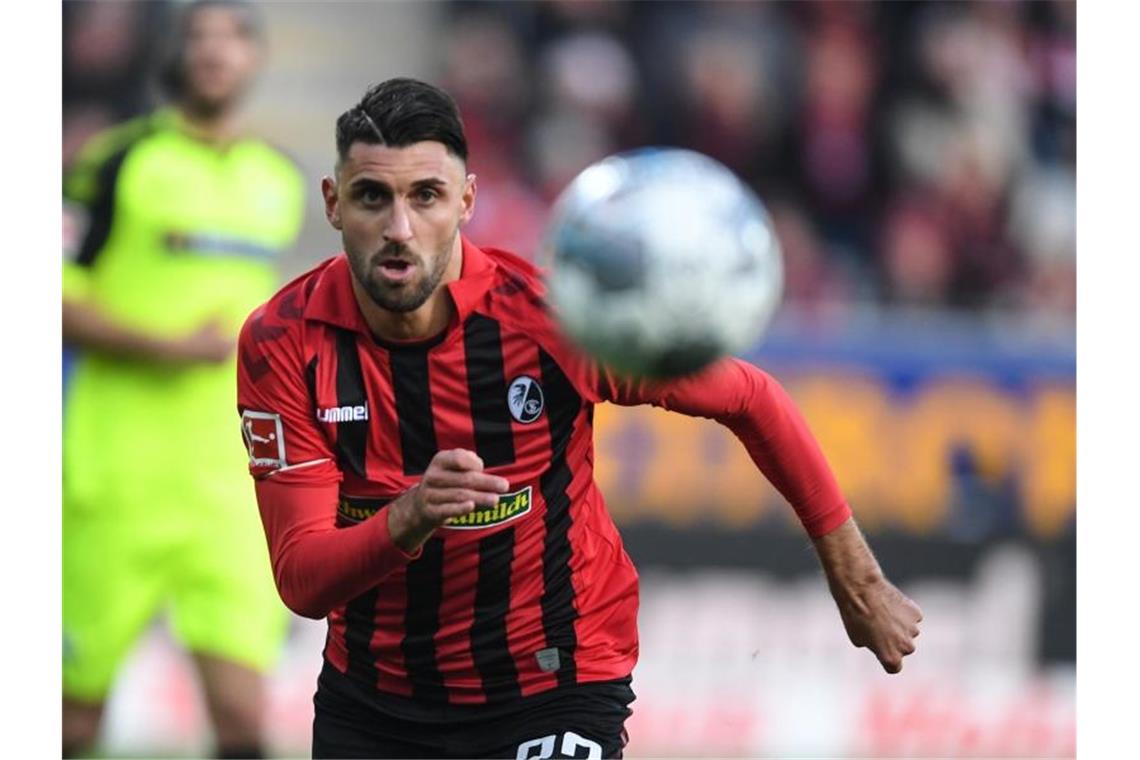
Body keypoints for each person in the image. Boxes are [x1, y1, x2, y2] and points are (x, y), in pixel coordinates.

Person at [236, 77, 922, 759]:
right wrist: (409, 516)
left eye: (426, 196)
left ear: (467, 200)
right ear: (333, 203)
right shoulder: (283, 342)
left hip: (553, 677)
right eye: (371, 197)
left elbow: (751, 398)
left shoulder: (552, 322)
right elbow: (302, 580)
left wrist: (856, 577)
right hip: (375, 701)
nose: (399, 229)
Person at [62, 2, 305, 756]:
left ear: (254, 58)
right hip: (114, 480)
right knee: (71, 718)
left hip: (228, 487)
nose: (214, 53)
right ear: (175, 54)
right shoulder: (117, 162)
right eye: (199, 37)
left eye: (232, 39)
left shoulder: (277, 180)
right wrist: (163, 345)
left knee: (242, 718)